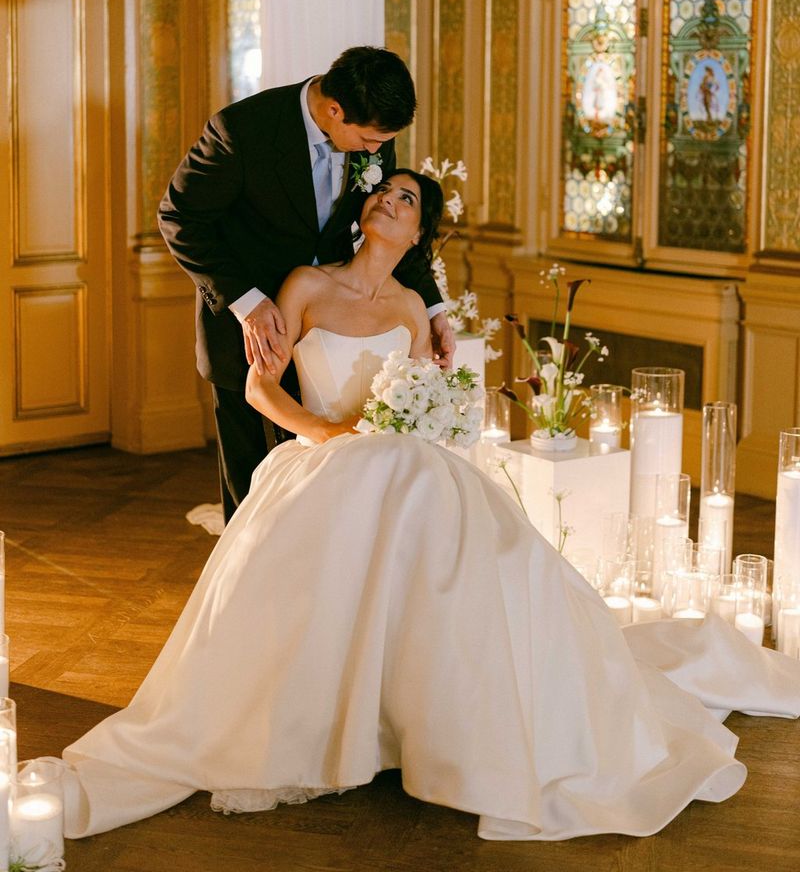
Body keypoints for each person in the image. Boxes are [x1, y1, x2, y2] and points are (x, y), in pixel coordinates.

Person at [61, 171, 800, 843]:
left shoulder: (416, 308)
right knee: (393, 477)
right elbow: (259, 389)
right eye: (383, 192)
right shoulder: (306, 287)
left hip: (399, 461)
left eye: (407, 200)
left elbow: (414, 408)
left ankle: (444, 721)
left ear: (418, 236)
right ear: (363, 211)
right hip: (321, 459)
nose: (389, 200)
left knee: (445, 504)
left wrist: (417, 422)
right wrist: (325, 432)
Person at [158, 46, 454, 520]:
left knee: (327, 498)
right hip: (252, 335)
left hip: (334, 336)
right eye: (371, 140)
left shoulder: (368, 134)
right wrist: (248, 303)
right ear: (334, 111)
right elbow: (180, 217)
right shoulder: (242, 130)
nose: (377, 153)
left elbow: (393, 240)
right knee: (254, 499)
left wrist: (436, 311)